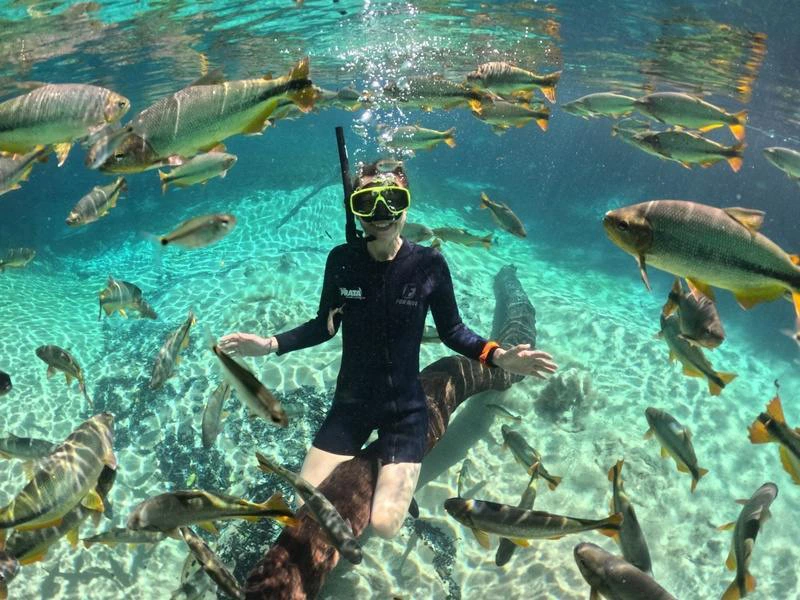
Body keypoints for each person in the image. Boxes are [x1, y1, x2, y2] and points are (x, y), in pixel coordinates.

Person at [219, 160, 557, 539]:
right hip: (350, 405)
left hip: (405, 412)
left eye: (392, 200)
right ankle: (374, 472)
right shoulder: (342, 261)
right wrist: (268, 344)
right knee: (305, 507)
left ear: (406, 205)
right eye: (367, 204)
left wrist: (499, 356)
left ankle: (379, 470)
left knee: (385, 526)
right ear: (355, 209)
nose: (381, 215)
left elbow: (453, 331)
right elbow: (323, 326)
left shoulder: (429, 264)